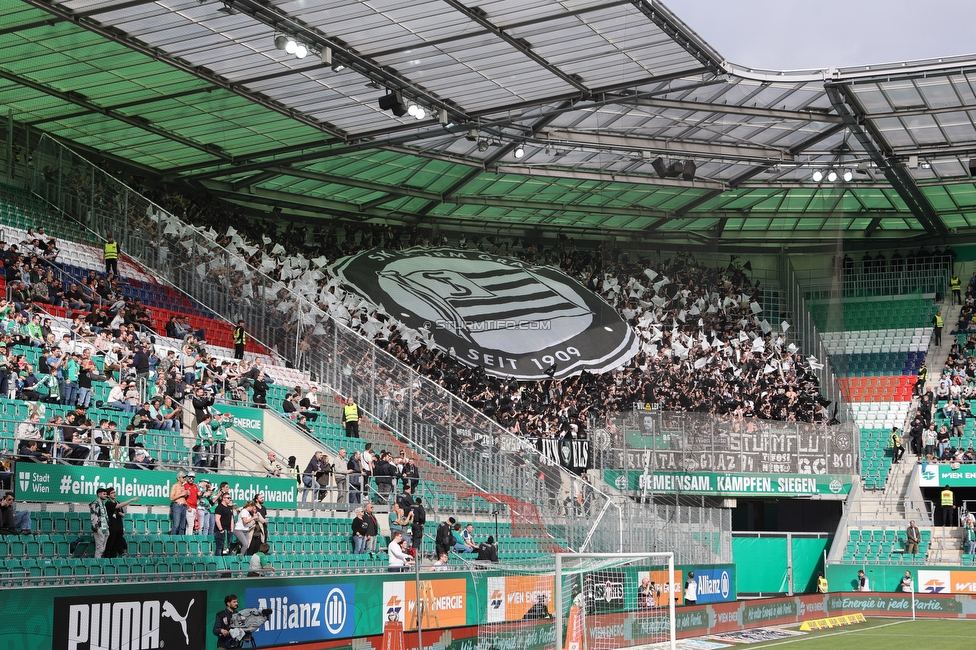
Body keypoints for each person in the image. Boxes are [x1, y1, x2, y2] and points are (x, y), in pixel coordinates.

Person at [104, 487, 138, 558]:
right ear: (108, 495)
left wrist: (122, 514)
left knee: (116, 545)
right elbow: (118, 506)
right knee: (110, 544)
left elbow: (122, 512)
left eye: (114, 492)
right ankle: (107, 559)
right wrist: (131, 500)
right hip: (112, 527)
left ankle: (113, 559)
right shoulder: (108, 503)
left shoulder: (117, 502)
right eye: (112, 493)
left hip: (119, 526)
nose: (114, 494)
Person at [89, 486, 110, 558]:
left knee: (103, 549)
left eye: (106, 494)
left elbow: (105, 516)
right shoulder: (95, 503)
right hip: (99, 528)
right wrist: (96, 528)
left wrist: (107, 527)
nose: (106, 496)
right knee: (99, 549)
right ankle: (97, 565)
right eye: (104, 494)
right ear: (99, 494)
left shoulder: (103, 504)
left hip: (105, 528)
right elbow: (93, 517)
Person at [214, 492, 235, 556]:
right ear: (223, 498)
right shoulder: (219, 507)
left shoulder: (229, 508)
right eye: (228, 498)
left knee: (227, 547)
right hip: (221, 531)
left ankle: (225, 561)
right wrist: (221, 529)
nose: (229, 499)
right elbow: (217, 519)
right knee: (220, 546)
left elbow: (231, 519)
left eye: (230, 498)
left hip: (228, 530)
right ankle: (219, 561)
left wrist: (232, 529)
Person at [169, 470, 189, 535]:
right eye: (183, 477)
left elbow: (183, 498)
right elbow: (171, 498)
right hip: (177, 506)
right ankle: (172, 540)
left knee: (182, 526)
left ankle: (181, 541)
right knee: (176, 525)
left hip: (183, 506)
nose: (184, 479)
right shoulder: (175, 486)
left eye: (184, 477)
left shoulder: (183, 487)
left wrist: (186, 494)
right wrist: (181, 494)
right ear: (178, 478)